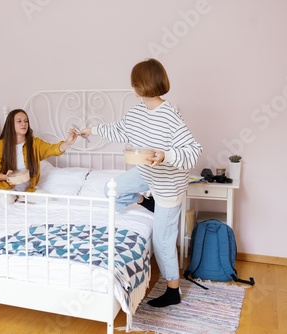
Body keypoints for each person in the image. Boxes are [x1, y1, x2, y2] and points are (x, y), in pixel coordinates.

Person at [80, 58, 202, 308]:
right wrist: (90, 130)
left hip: (169, 182)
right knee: (110, 189)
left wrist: (165, 155)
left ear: (140, 83)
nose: (132, 86)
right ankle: (145, 201)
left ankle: (173, 290)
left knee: (162, 240)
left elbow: (193, 150)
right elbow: (118, 129)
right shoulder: (137, 113)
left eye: (134, 81)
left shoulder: (169, 114)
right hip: (147, 172)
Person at [0, 108, 78, 192]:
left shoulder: (35, 143)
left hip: (28, 191)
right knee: (7, 201)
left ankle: (21, 199)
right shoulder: (0, 145)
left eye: (26, 121)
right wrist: (6, 177)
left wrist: (68, 142)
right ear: (11, 125)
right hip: (5, 189)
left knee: (43, 199)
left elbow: (53, 149)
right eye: (19, 121)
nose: (24, 124)